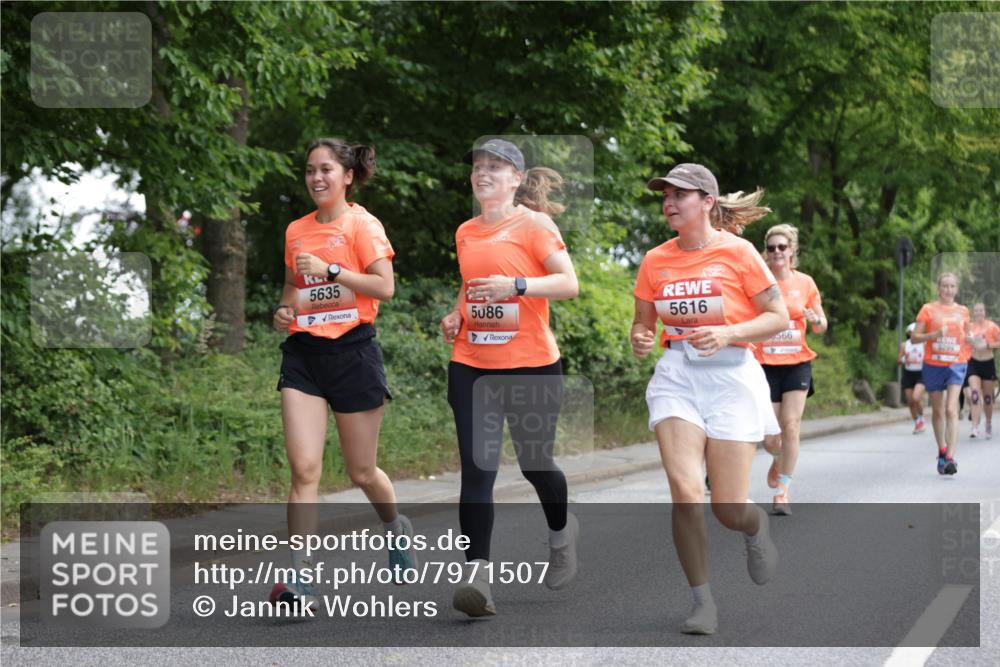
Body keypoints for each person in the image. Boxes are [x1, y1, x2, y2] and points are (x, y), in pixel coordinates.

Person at [632, 163, 788, 635]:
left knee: (727, 508)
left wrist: (729, 333)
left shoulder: (738, 253)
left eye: (680, 194)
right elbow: (643, 321)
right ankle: (702, 602)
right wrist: (641, 336)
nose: (669, 202)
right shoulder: (655, 260)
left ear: (707, 202)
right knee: (684, 493)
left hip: (731, 378)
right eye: (665, 195)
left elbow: (778, 315)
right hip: (678, 374)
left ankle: (754, 525)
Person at [271, 138, 416, 610]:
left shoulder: (362, 224)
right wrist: (283, 311)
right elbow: (293, 286)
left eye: (326, 170)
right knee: (304, 469)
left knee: (361, 471)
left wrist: (334, 269)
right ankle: (300, 579)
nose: (316, 178)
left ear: (347, 176)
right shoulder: (296, 230)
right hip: (304, 356)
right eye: (310, 170)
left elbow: (384, 287)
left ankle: (396, 528)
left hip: (353, 353)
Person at [439, 139, 580, 617]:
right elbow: (470, 283)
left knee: (536, 465)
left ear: (516, 179)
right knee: (478, 471)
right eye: (478, 166)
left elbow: (568, 283)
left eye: (495, 167)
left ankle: (561, 535)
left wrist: (517, 286)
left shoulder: (536, 225)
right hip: (472, 364)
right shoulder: (465, 230)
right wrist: (458, 313)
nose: (483, 173)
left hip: (532, 364)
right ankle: (477, 577)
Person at [755, 224, 827, 516]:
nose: (776, 252)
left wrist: (815, 319)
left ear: (792, 250)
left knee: (791, 424)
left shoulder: (806, 283)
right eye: (771, 248)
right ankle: (778, 457)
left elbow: (822, 326)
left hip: (797, 362)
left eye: (782, 247)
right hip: (765, 363)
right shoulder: (759, 283)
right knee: (770, 435)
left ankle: (783, 492)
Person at [910, 272, 972, 475]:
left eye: (952, 286)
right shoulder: (928, 309)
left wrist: (975, 342)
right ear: (939, 289)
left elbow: (968, 337)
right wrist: (935, 335)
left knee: (951, 409)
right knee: (937, 411)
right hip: (933, 364)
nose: (948, 289)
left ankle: (951, 458)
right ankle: (942, 449)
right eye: (944, 286)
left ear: (956, 289)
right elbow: (914, 338)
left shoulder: (963, 311)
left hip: (956, 363)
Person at [967, 302, 1000, 439]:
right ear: (973, 312)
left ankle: (988, 423)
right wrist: (969, 341)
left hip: (987, 364)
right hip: (973, 363)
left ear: (985, 312)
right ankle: (974, 427)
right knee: (974, 393)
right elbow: (964, 341)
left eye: (981, 310)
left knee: (987, 398)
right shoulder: (970, 327)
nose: (979, 313)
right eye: (976, 310)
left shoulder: (992, 326)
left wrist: (988, 344)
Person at [898, 323, 927, 435]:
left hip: (921, 374)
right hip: (908, 374)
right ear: (908, 333)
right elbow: (898, 360)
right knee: (910, 401)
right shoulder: (905, 345)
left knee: (916, 398)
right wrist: (906, 359)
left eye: (916, 332)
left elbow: (930, 358)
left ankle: (921, 417)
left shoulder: (924, 344)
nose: (914, 334)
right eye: (911, 332)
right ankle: (917, 422)